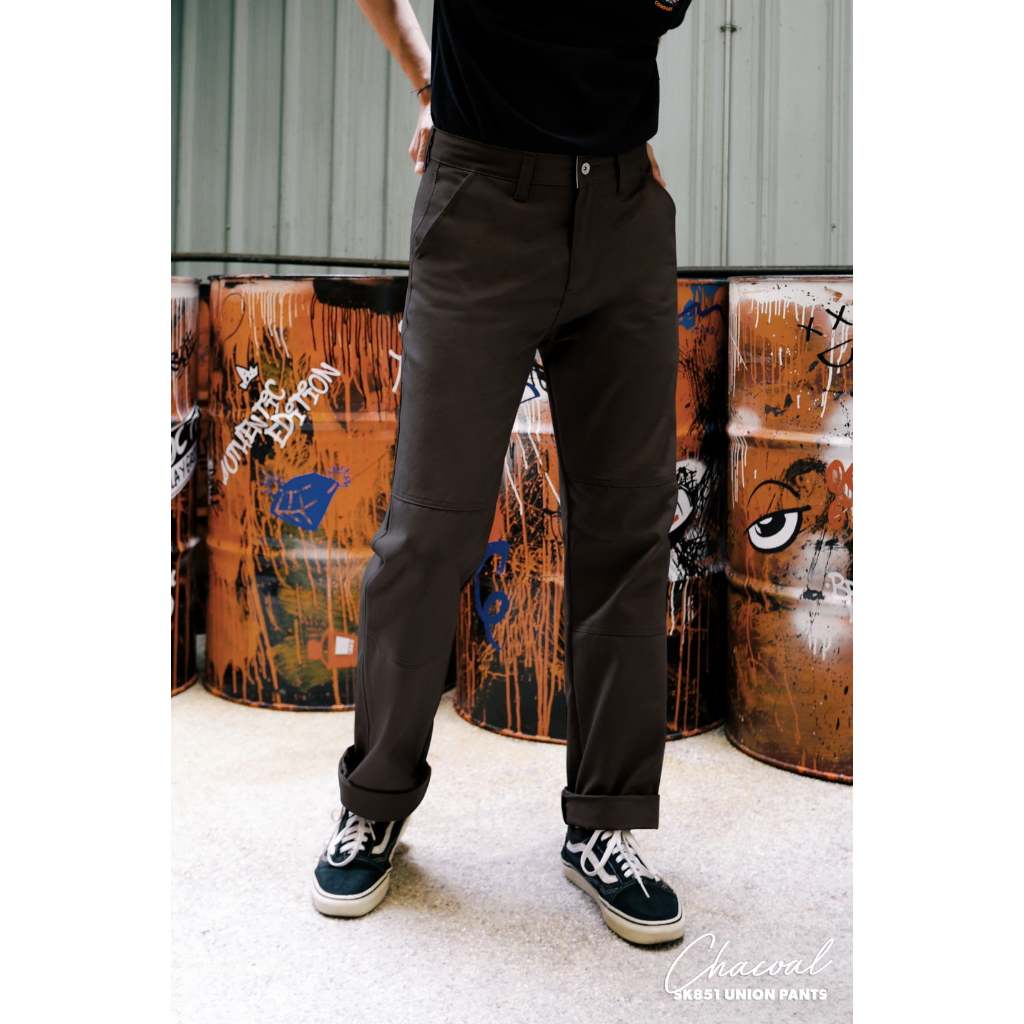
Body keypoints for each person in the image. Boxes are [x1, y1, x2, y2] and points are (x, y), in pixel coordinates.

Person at [312, 0, 693, 946]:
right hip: (481, 200)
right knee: (431, 524)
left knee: (629, 525)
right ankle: (375, 800)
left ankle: (605, 823)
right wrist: (427, 80)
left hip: (622, 208)